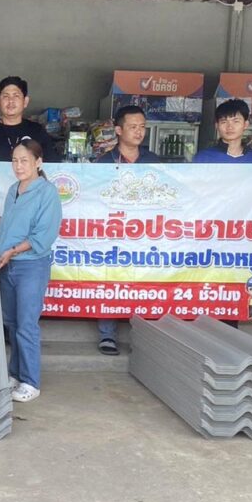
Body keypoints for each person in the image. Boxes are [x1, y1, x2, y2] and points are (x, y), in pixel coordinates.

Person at [0, 141, 63, 402]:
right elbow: (15, 224)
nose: (18, 166)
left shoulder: (47, 193)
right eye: (14, 160)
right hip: (8, 265)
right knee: (12, 324)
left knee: (26, 325)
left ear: (38, 162)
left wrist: (12, 251)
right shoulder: (14, 189)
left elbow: (42, 235)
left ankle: (31, 381)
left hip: (30, 266)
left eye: (24, 160)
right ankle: (15, 374)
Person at [194, 98, 252, 328]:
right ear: (216, 125)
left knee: (235, 292)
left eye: (235, 120)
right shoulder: (203, 158)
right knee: (206, 288)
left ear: (246, 125)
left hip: (242, 239)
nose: (229, 126)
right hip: (209, 236)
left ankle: (228, 336)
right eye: (224, 121)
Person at [93, 105, 160, 355]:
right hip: (113, 232)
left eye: (142, 127)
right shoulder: (104, 162)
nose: (139, 132)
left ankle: (140, 337)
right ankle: (107, 335)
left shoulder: (154, 162)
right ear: (119, 130)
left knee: (144, 283)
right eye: (133, 127)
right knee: (110, 280)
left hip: (145, 234)